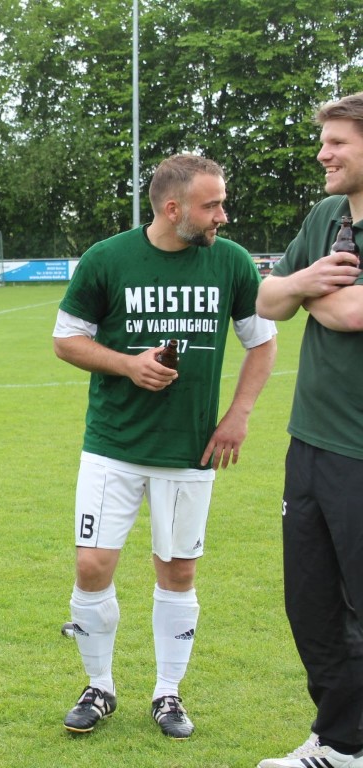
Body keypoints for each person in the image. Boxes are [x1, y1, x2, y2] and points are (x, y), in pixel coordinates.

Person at [52, 154, 277, 740]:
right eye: (211, 205)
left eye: (222, 203)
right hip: (113, 444)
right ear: (172, 209)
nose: (222, 216)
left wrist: (238, 415)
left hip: (189, 450)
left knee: (178, 571)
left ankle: (168, 693)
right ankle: (99, 685)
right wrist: (129, 365)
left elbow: (262, 341)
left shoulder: (231, 263)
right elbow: (67, 339)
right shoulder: (107, 258)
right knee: (91, 565)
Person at [254, 92, 363, 768]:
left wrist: (305, 288)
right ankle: (343, 743)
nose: (322, 154)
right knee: (312, 604)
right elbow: (266, 298)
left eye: (337, 142)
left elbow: (350, 314)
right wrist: (310, 283)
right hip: (311, 443)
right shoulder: (326, 216)